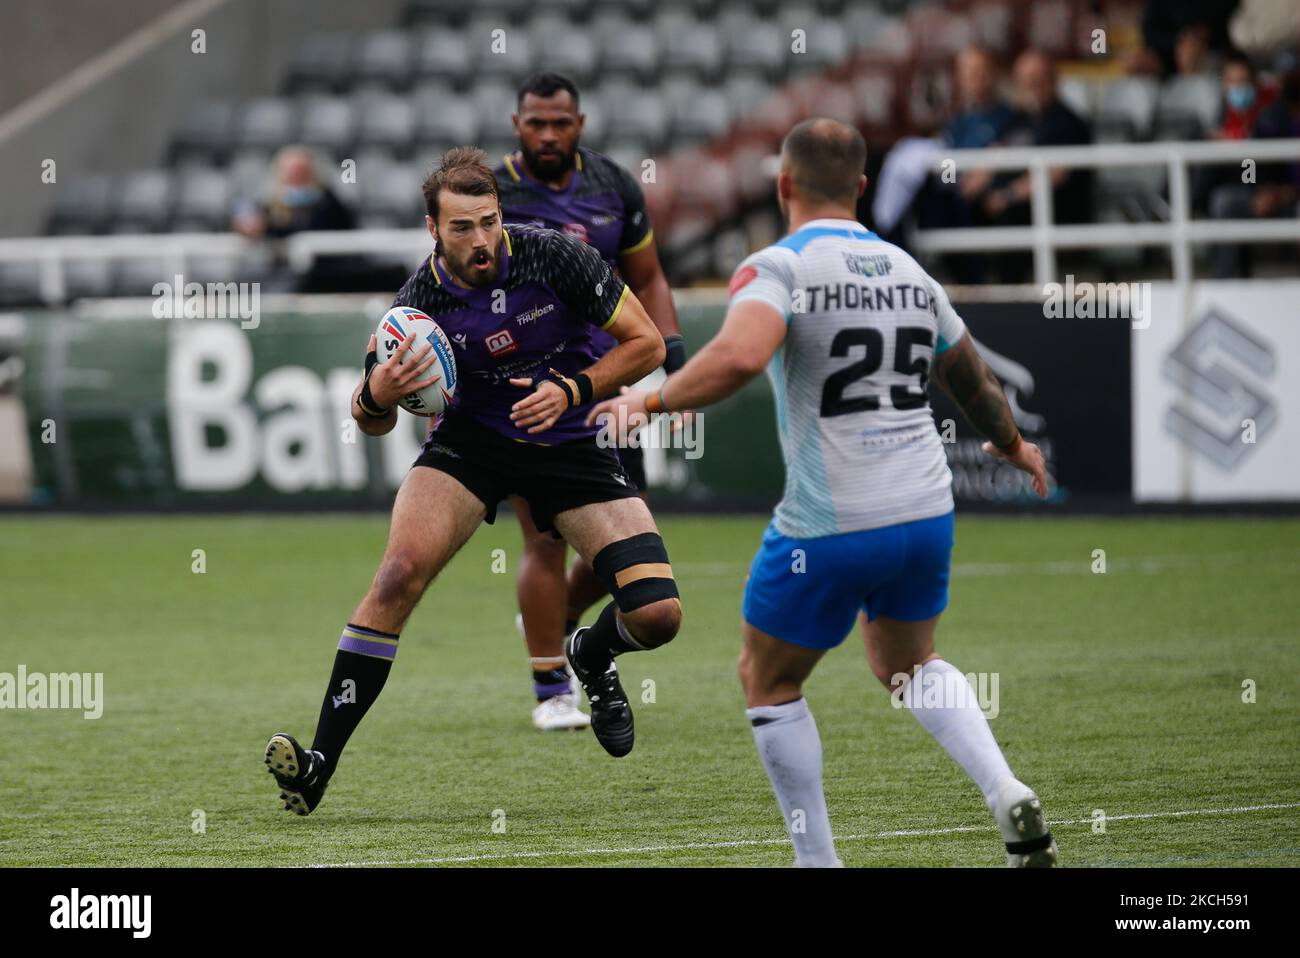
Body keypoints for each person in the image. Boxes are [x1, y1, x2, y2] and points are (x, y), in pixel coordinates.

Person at [589, 119, 1058, 867]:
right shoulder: (911, 272)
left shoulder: (778, 266)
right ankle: (1004, 788)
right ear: (862, 189)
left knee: (767, 679)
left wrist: (645, 402)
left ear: (782, 185)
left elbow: (741, 357)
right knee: (909, 663)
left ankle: (819, 862)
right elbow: (970, 378)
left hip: (832, 520)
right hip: (925, 512)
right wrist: (1013, 447)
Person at [264, 147, 683, 815]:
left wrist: (571, 388)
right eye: (462, 227)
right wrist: (377, 394)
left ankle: (591, 654)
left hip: (570, 439)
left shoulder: (555, 257)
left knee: (658, 614)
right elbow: (366, 417)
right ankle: (317, 764)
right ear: (433, 230)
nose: (481, 239)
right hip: (472, 447)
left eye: (488, 221)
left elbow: (648, 344)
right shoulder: (416, 305)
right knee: (397, 576)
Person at [489, 72, 684, 731]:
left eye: (560, 122)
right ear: (517, 125)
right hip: (526, 387)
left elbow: (648, 276)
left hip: (605, 386)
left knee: (625, 541)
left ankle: (561, 625)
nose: (548, 134)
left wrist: (672, 356)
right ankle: (552, 693)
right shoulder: (494, 194)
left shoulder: (613, 187)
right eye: (536, 123)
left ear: (581, 123)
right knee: (543, 536)